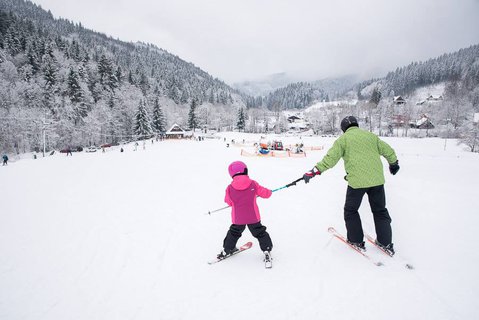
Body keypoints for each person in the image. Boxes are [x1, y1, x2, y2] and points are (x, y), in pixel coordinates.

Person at [303, 116, 400, 256]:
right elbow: (388, 150)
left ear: (343, 129)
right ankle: (386, 243)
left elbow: (330, 159)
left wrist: (314, 171)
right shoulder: (370, 136)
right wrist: (394, 163)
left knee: (351, 210)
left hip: (357, 182)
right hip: (377, 181)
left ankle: (356, 241)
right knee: (380, 211)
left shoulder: (343, 140)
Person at [218, 161, 274, 262]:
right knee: (260, 232)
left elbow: (228, 201)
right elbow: (265, 194)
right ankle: (266, 250)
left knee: (234, 233)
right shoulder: (253, 183)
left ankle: (227, 249)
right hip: (253, 217)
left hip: (238, 218)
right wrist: (269, 192)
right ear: (245, 170)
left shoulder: (229, 188)